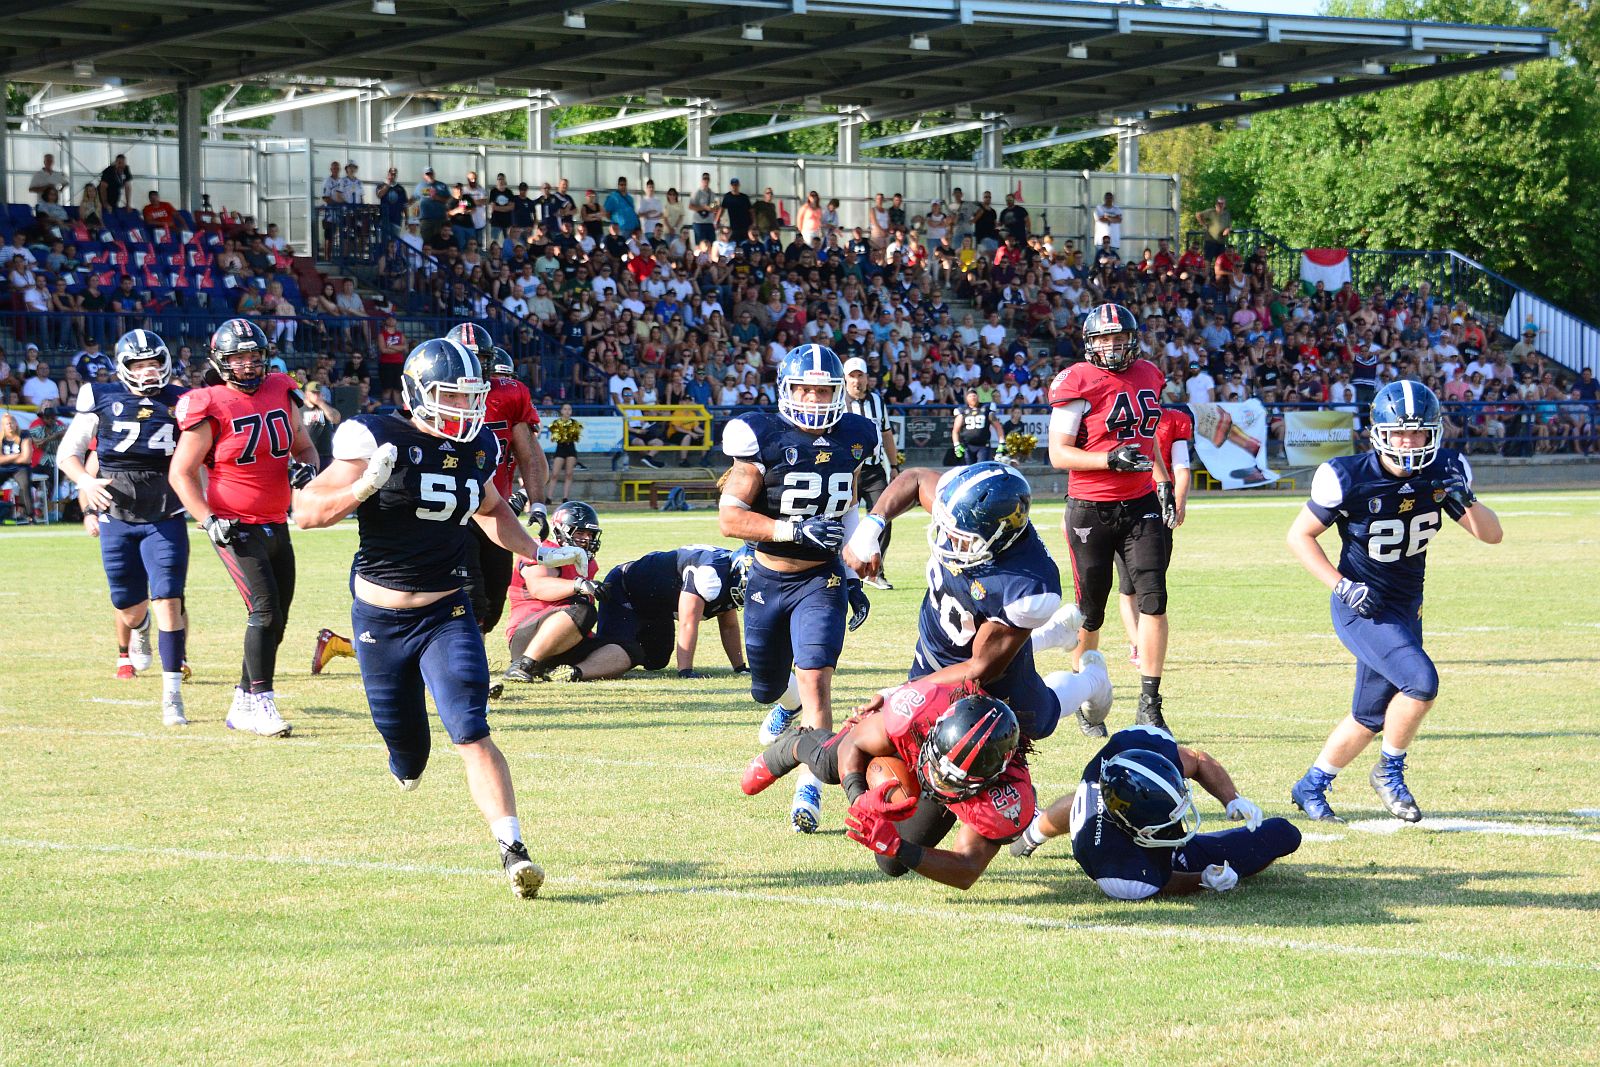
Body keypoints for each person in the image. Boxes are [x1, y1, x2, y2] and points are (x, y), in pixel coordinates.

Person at [292, 338, 554, 899]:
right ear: (417, 394)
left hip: (446, 610)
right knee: (408, 753)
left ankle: (513, 850)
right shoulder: (375, 437)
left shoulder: (479, 445)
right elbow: (306, 513)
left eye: (471, 396)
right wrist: (364, 486)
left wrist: (538, 551)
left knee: (471, 729)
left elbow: (491, 509)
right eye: (451, 396)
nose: (465, 408)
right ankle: (404, 760)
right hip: (380, 619)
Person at [1287, 381, 1503, 823]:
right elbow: (1299, 536)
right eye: (1400, 432)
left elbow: (1492, 535)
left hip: (1407, 606)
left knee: (1368, 715)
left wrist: (1465, 498)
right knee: (1421, 683)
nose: (1409, 441)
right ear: (1378, 432)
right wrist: (1341, 585)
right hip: (1361, 604)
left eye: (1418, 432)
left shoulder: (1445, 469)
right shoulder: (1348, 475)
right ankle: (1389, 771)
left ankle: (1312, 784)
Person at [719, 343, 877, 833]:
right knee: (766, 686)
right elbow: (730, 518)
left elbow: (848, 504)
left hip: (821, 578)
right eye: (805, 389)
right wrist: (793, 529)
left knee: (816, 678)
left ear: (838, 392)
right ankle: (785, 704)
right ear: (787, 390)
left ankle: (809, 784)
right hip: (768, 576)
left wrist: (853, 573)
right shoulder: (761, 435)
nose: (813, 398)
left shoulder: (856, 434)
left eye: (823, 390)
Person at [844, 463, 1109, 740]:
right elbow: (916, 478)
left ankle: (1093, 680)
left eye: (961, 538)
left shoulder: (1026, 588)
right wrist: (870, 527)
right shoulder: (964, 512)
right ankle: (1054, 632)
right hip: (942, 640)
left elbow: (978, 668)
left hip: (977, 663)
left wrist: (899, 693)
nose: (947, 539)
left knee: (1034, 719)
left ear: (997, 537)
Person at [170, 319, 319, 737]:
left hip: (275, 520)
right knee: (265, 611)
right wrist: (208, 519)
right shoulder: (208, 403)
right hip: (234, 524)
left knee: (277, 619)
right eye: (238, 358)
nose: (248, 365)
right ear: (221, 361)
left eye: (254, 356)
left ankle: (242, 700)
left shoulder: (281, 390)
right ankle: (262, 701)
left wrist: (307, 469)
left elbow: (305, 447)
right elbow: (181, 472)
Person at [742, 676, 1033, 889]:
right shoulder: (919, 714)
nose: (936, 779)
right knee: (830, 764)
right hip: (912, 740)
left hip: (947, 774)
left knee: (891, 863)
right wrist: (859, 798)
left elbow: (967, 868)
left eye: (950, 780)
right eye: (937, 767)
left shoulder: (1008, 797)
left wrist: (897, 847)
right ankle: (797, 744)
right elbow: (854, 744)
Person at [1047, 302, 1179, 733]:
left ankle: (1150, 703)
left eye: (1118, 336)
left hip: (1140, 502)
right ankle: (1085, 694)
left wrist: (1162, 480)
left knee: (1153, 598)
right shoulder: (1077, 380)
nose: (1112, 344)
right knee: (1091, 611)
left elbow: (1147, 438)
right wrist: (1109, 459)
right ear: (1090, 342)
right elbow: (1058, 453)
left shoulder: (1149, 374)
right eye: (1103, 337)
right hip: (1090, 507)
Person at [55, 330, 191, 723]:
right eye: (138, 364)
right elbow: (68, 453)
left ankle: (172, 696)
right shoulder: (99, 395)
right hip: (117, 514)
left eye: (153, 363)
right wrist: (85, 482)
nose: (147, 371)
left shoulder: (184, 400)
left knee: (169, 599)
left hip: (165, 513)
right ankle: (140, 626)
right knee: (129, 609)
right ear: (124, 366)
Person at [1011, 726, 1300, 900]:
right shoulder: (1118, 871)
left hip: (1117, 808)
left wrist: (1231, 799)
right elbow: (1162, 883)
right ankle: (1033, 832)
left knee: (1283, 832)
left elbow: (1198, 761)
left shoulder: (1137, 753)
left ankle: (1032, 833)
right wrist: (1202, 879)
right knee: (1085, 805)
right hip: (1123, 843)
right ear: (1137, 826)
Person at [448, 327, 548, 636]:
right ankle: (466, 663)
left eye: (481, 358)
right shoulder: (441, 394)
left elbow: (530, 456)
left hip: (496, 509)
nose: (475, 365)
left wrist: (536, 502)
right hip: (453, 509)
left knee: (492, 602)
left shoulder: (510, 393)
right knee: (469, 599)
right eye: (468, 358)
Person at [553, 544, 750, 681]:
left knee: (656, 660)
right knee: (619, 651)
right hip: (625, 589)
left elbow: (729, 625)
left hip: (656, 604)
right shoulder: (710, 575)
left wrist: (739, 667)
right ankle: (564, 656)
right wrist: (686, 671)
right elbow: (688, 623)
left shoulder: (727, 576)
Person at [1119, 404, 1194, 668]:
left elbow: (1182, 468)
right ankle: (1138, 644)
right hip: (1125, 502)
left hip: (1158, 504)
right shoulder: (1122, 414)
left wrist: (1179, 501)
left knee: (1151, 581)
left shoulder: (1173, 420)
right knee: (1128, 584)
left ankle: (1144, 641)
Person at [501, 500, 605, 685]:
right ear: (561, 531)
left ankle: (575, 672)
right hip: (529, 637)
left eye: (590, 534)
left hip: (567, 639)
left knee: (624, 647)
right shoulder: (542, 550)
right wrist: (579, 584)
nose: (586, 539)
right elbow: (539, 587)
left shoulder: (588, 562)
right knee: (582, 610)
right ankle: (523, 665)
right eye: (579, 533)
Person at [842, 357, 898, 589]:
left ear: (867, 378)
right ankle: (846, 570)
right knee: (843, 519)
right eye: (852, 376)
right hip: (846, 471)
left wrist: (894, 466)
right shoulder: (838, 402)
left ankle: (875, 571)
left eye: (860, 375)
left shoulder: (877, 401)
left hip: (874, 470)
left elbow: (886, 434)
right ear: (845, 379)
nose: (857, 380)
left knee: (883, 517)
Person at [0, 413, 36, 525]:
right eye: (7, 424)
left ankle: (30, 516)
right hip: (4, 468)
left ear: (16, 424)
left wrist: (6, 458)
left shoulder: (24, 434)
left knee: (25, 485)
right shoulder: (1, 437)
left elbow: (26, 458)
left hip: (21, 467)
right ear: (3, 426)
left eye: (11, 423)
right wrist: (16, 455)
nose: (9, 426)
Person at [951, 388, 1002, 464]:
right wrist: (956, 444)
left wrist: (1001, 442)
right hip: (967, 446)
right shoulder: (962, 411)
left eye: (974, 396)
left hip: (983, 445)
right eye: (970, 396)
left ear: (978, 397)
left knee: (981, 467)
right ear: (966, 398)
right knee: (969, 468)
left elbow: (998, 426)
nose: (972, 398)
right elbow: (955, 430)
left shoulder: (986, 409)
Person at [546, 403, 582, 501]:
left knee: (569, 473)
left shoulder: (574, 423)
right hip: (560, 447)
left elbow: (576, 437)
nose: (567, 411)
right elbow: (554, 438)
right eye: (565, 409)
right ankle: (549, 496)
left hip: (570, 447)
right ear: (561, 411)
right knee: (554, 474)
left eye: (569, 409)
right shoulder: (556, 423)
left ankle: (565, 497)